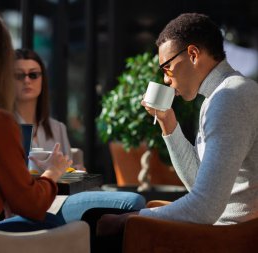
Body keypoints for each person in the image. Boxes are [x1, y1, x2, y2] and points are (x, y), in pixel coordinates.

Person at [0, 10, 145, 235]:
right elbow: (31, 205)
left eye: (34, 74)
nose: (26, 81)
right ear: (2, 60)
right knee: (74, 228)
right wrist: (53, 171)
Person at [97, 12, 258, 236]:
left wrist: (132, 219)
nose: (165, 79)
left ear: (192, 54)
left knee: (109, 222)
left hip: (226, 239)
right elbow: (199, 187)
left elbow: (204, 208)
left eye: (167, 67)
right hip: (221, 232)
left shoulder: (229, 97)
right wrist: (167, 122)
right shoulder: (220, 96)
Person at [13, 48, 73, 163]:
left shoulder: (58, 128)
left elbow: (68, 170)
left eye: (33, 75)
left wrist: (76, 170)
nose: (27, 80)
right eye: (19, 75)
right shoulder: (3, 126)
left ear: (43, 79)